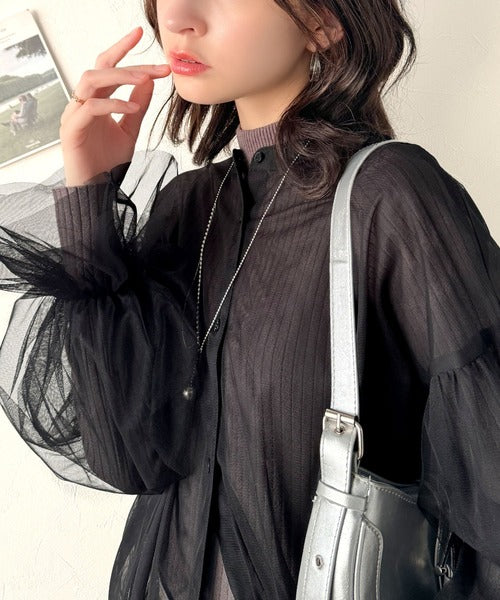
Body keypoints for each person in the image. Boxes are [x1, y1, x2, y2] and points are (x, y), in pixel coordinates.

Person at [0, 1, 498, 599]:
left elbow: (489, 478)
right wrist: (89, 198)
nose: (177, 18)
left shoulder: (388, 195)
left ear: (323, 23)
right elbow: (126, 458)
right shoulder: (187, 208)